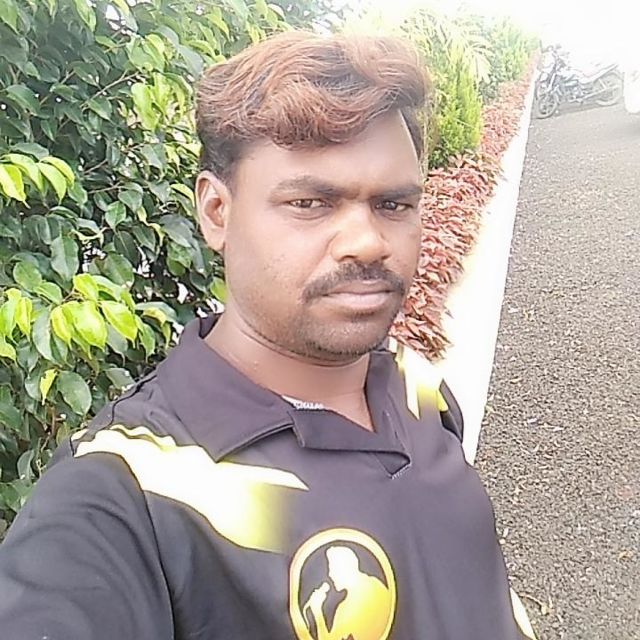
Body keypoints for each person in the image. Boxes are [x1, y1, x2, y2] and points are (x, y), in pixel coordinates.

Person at [0, 31, 535, 639]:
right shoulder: (128, 493)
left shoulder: (417, 391)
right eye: (310, 203)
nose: (367, 242)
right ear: (216, 212)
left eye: (393, 205)